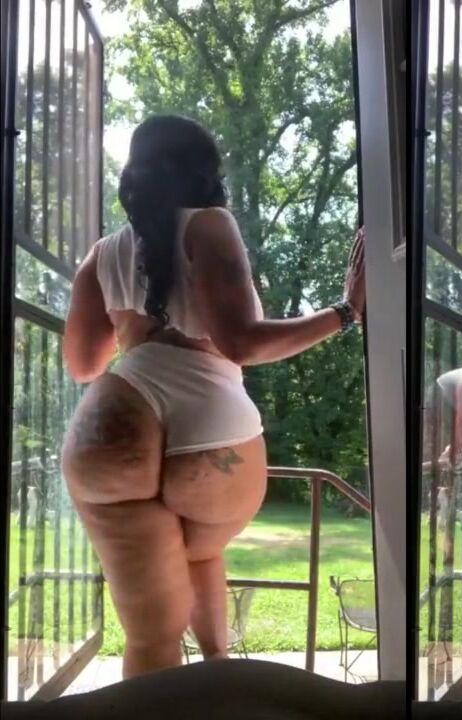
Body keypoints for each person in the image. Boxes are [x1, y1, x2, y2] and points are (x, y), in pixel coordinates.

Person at [60, 114, 366, 679]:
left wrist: (133, 319)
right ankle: (216, 672)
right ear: (204, 171)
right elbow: (241, 343)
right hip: (209, 431)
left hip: (111, 422)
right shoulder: (209, 225)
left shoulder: (101, 255)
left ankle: (201, 676)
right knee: (202, 550)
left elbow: (83, 365)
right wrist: (344, 313)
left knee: (150, 638)